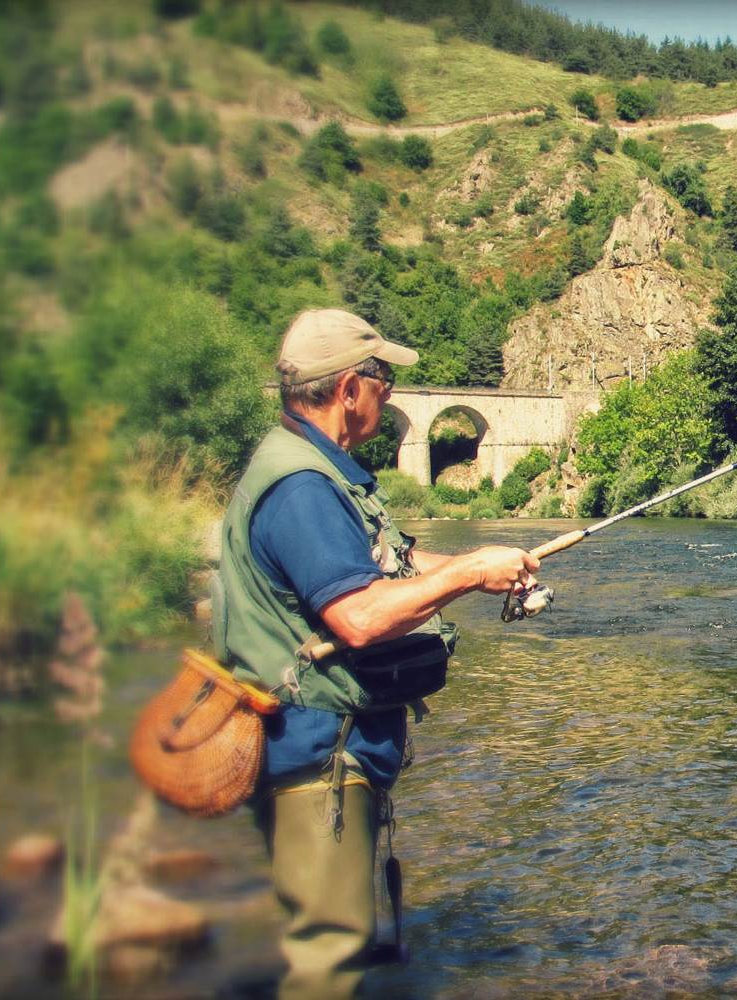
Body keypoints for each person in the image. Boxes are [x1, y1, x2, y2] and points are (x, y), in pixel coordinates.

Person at [214, 308, 539, 998]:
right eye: (383, 377)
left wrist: (486, 570)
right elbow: (358, 617)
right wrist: (466, 572)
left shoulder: (321, 472)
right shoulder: (301, 488)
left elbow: (390, 563)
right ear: (348, 389)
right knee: (327, 964)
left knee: (336, 947)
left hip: (329, 749)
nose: (389, 390)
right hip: (314, 754)